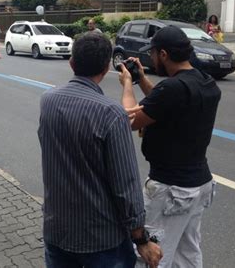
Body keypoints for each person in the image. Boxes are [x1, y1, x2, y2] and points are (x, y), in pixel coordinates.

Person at [38, 32, 162, 268]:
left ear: (71, 63)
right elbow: (126, 184)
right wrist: (141, 239)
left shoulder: (48, 100)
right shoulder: (111, 114)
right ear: (106, 69)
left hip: (57, 229)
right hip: (102, 239)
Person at [118, 26, 221, 268]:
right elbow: (162, 105)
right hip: (199, 186)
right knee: (187, 255)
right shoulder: (205, 82)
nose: (151, 59)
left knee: (151, 256)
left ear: (163, 54)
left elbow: (130, 120)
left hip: (171, 190)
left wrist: (127, 85)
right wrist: (142, 78)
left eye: (152, 54)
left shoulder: (171, 89)